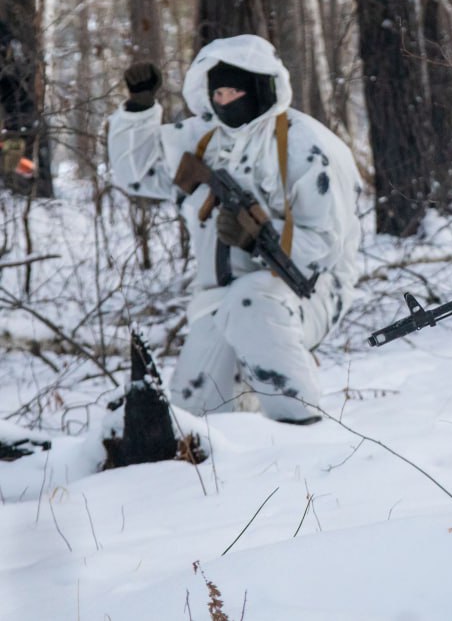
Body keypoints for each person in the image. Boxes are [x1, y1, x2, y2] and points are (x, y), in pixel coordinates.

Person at [107, 35, 360, 425]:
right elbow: (136, 176)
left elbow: (328, 243)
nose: (225, 101)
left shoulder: (306, 145)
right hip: (219, 301)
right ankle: (213, 474)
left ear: (260, 88)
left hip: (307, 291)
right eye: (218, 92)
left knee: (251, 301)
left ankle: (303, 429)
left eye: (235, 91)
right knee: (195, 410)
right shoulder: (203, 139)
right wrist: (139, 110)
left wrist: (259, 235)